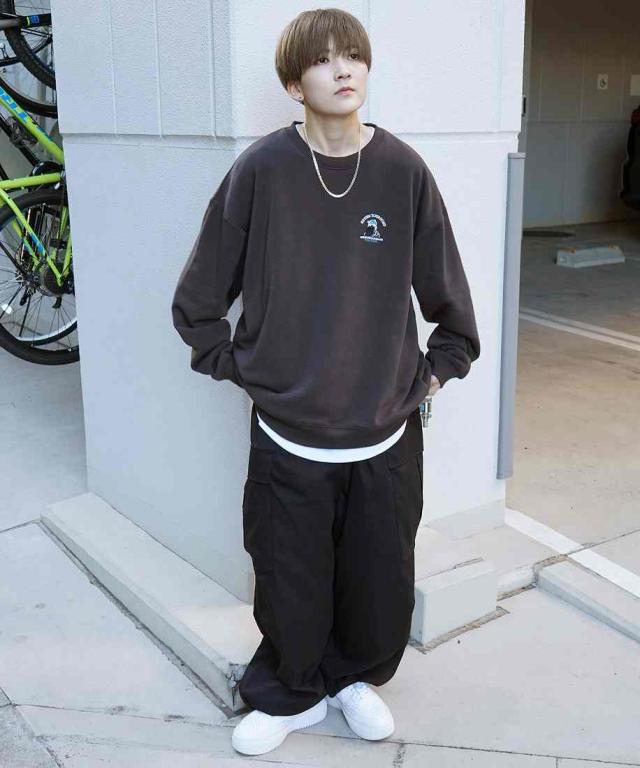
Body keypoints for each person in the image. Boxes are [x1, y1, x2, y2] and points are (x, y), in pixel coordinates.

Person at [171, 7, 480, 757]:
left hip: (384, 432)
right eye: (323, 59)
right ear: (293, 84)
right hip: (290, 434)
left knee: (377, 582)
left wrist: (432, 374)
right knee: (289, 579)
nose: (343, 70)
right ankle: (290, 693)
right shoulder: (262, 171)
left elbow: (451, 306)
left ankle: (352, 681)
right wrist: (247, 371)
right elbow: (199, 300)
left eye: (354, 56)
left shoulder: (403, 171)